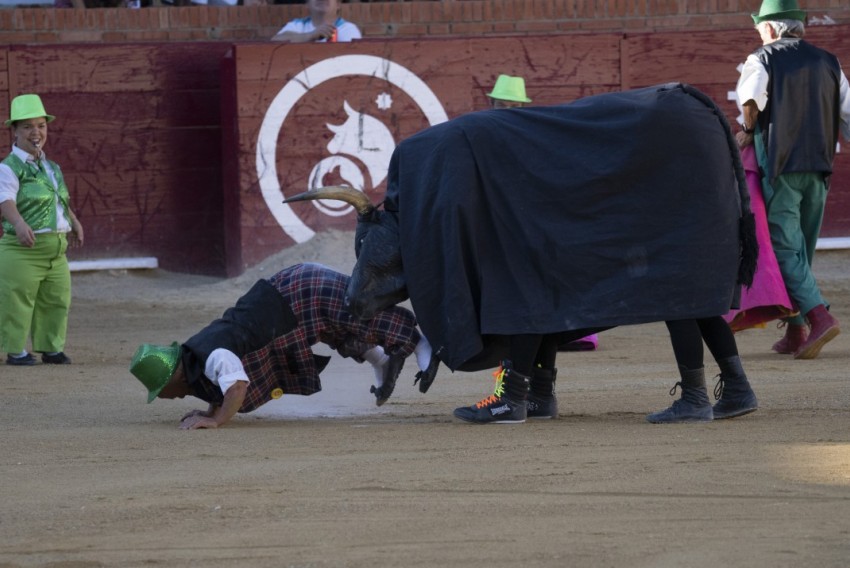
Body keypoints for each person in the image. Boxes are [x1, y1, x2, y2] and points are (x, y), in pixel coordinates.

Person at [129, 263, 437, 429]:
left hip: (298, 293)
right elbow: (221, 383)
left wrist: (216, 419)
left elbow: (236, 386)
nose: (164, 398)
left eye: (160, 389)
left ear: (173, 377)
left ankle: (418, 341)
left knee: (356, 312)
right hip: (285, 308)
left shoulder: (210, 355)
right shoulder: (197, 356)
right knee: (335, 330)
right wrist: (211, 408)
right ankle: (381, 361)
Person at [736, 0, 850, 359]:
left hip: (781, 164)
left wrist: (746, 130)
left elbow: (751, 100)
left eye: (759, 27)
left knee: (784, 247)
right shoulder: (828, 62)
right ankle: (797, 327)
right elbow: (849, 114)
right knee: (802, 247)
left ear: (770, 28)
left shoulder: (762, 58)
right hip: (819, 165)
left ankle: (818, 317)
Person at [0, 94, 84, 367]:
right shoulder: (8, 167)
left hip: (56, 248)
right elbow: (5, 200)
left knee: (57, 298)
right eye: (27, 127)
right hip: (22, 248)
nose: (36, 132)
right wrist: (19, 223)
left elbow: (59, 199)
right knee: (16, 300)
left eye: (41, 126)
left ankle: (50, 348)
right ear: (14, 131)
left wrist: (74, 221)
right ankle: (15, 352)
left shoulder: (50, 166)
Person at [271, 0, 361, 44]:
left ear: (338, 5)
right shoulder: (297, 25)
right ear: (307, 4)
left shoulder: (348, 28)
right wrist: (310, 35)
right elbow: (275, 42)